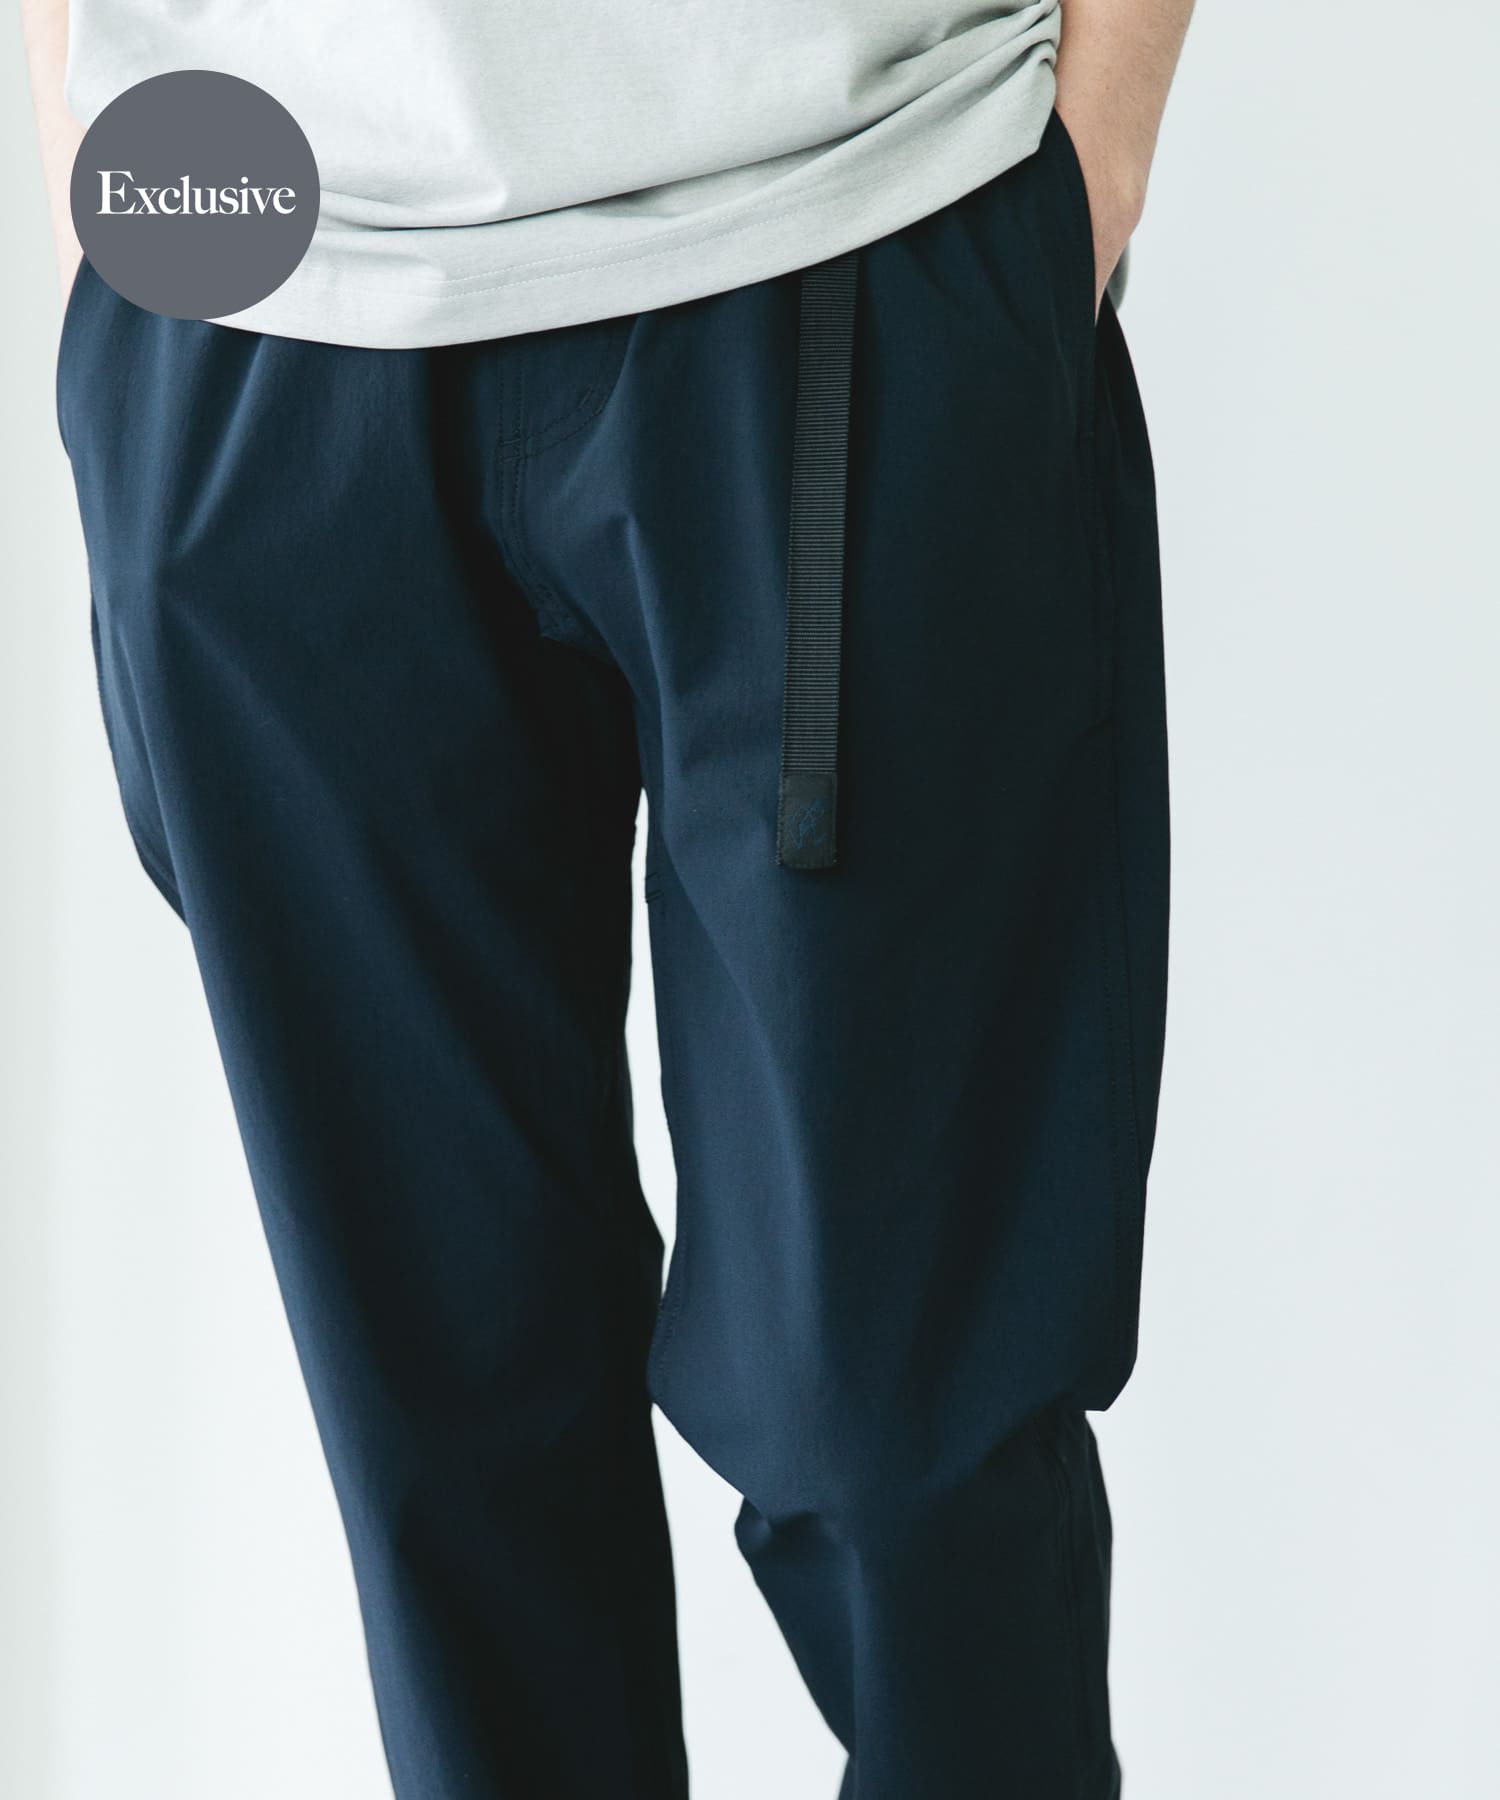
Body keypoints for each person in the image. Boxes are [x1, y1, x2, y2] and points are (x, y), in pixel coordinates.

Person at [24, 1, 1193, 1793]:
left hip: (848, 211)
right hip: (252, 275)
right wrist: (85, 172)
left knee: (909, 1454)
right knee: (452, 1468)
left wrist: (1091, 156)